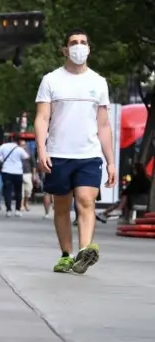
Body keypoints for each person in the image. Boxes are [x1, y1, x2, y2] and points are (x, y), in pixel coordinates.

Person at [34, 28, 117, 274]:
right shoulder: (51, 80)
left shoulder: (99, 82)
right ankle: (66, 255)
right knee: (61, 207)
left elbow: (103, 124)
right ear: (64, 49)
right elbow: (41, 117)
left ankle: (84, 252)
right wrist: (42, 149)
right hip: (58, 153)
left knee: (85, 201)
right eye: (73, 42)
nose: (79, 46)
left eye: (83, 42)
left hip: (89, 155)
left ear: (89, 48)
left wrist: (110, 161)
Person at [0, 137, 30, 217]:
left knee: (7, 191)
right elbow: (26, 157)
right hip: (17, 172)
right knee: (18, 191)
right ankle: (18, 210)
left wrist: (0, 161)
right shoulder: (19, 148)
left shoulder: (3, 146)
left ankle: (8, 210)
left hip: (6, 171)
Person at [21, 140, 37, 211]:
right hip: (19, 173)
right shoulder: (17, 152)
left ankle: (26, 202)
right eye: (21, 145)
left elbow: (33, 164)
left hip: (28, 173)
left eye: (24, 145)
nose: (22, 146)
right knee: (21, 191)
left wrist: (34, 174)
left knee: (28, 190)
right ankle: (21, 205)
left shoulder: (29, 152)